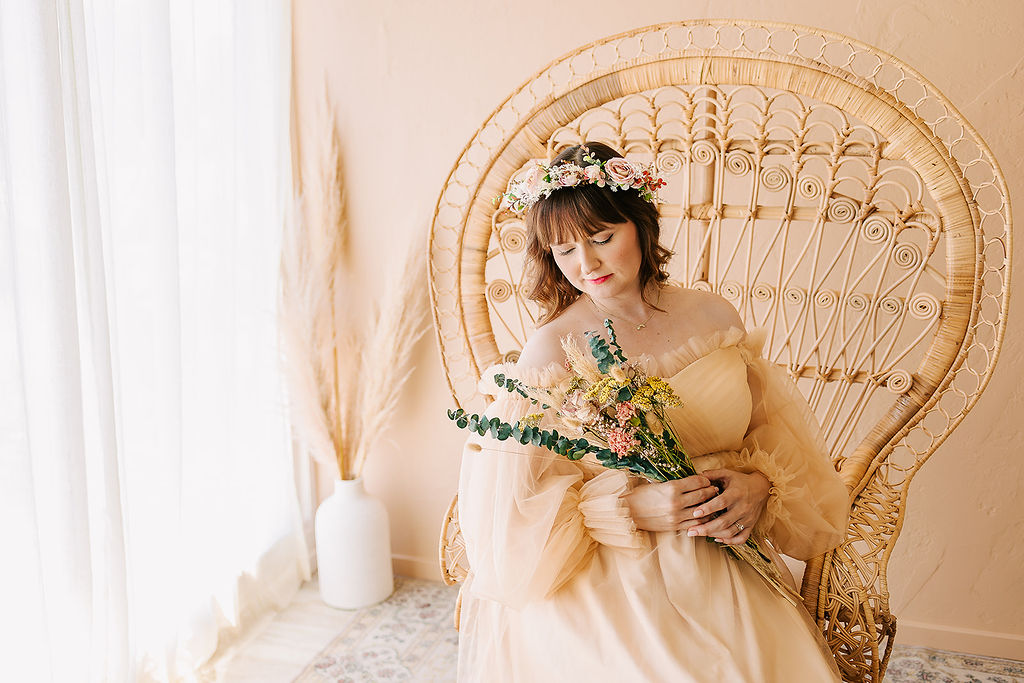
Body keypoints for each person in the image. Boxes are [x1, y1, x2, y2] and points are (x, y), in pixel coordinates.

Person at [456, 142, 850, 682]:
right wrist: (632, 509)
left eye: (601, 238)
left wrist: (759, 485)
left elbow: (770, 434)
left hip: (724, 543)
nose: (585, 264)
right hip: (615, 567)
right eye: (564, 250)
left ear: (640, 224)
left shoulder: (712, 314)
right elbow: (518, 511)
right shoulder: (551, 352)